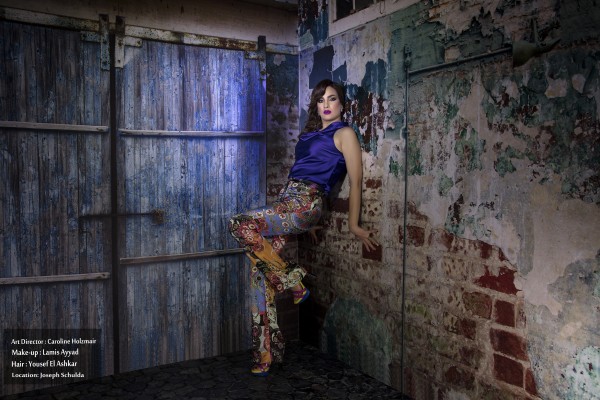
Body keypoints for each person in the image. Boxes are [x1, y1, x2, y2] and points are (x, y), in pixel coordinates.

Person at [228, 78, 379, 377]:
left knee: (239, 223)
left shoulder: (345, 133)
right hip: (288, 204)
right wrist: (303, 224)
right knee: (259, 277)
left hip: (306, 202)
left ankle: (293, 282)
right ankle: (267, 351)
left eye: (332, 98)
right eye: (321, 100)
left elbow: (355, 181)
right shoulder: (309, 135)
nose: (326, 104)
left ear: (341, 104)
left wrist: (353, 225)